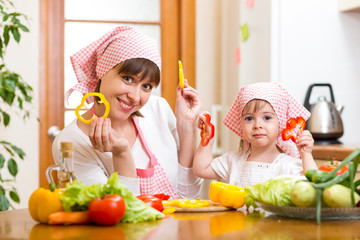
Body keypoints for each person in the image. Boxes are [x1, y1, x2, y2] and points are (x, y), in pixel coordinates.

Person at [52, 26, 202, 199]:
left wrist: (187, 126)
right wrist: (121, 153)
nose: (135, 97)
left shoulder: (158, 108)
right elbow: (118, 212)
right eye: (128, 79)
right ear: (103, 71)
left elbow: (187, 196)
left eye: (146, 86)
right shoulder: (71, 142)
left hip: (175, 226)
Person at [193, 82, 318, 187]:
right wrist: (208, 138)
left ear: (281, 123)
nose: (257, 125)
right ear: (240, 124)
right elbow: (201, 169)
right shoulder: (232, 162)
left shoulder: (288, 166)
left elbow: (314, 185)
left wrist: (306, 155)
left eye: (267, 117)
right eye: (249, 118)